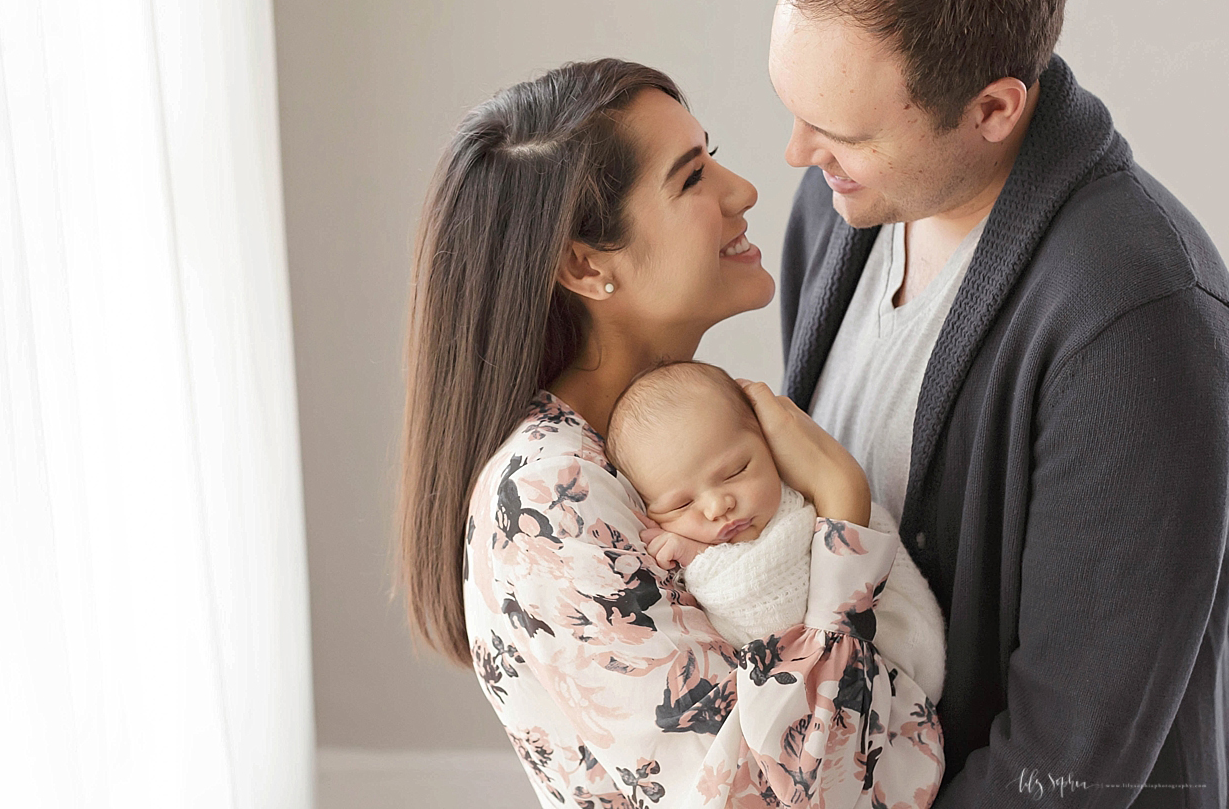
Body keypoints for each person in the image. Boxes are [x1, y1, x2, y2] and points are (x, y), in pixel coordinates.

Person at [769, 0, 1229, 806]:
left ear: (994, 109)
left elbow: (1070, 758)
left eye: (847, 131)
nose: (797, 153)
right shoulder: (837, 209)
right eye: (796, 111)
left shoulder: (1139, 319)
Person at [397, 59, 944, 808]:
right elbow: (773, 796)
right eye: (691, 178)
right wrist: (842, 517)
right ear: (586, 265)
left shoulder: (672, 440)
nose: (743, 191)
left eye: (709, 156)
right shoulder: (550, 497)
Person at [603, 358, 946, 703]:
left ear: (771, 446)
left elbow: (781, 621)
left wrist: (702, 560)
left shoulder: (797, 511)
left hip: (898, 672)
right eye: (680, 505)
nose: (717, 506)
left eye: (736, 471)